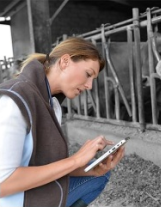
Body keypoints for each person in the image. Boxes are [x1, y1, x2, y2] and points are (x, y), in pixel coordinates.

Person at [0, 37, 125, 207]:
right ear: (65, 62)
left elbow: (44, 165)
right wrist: (75, 160)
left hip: (30, 192)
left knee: (98, 175)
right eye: (88, 74)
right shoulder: (13, 101)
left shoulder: (52, 103)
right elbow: (3, 184)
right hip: (14, 201)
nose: (89, 86)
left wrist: (89, 168)